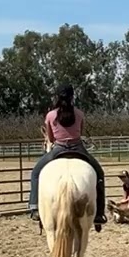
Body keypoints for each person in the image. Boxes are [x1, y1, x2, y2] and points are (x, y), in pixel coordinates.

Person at [27, 84, 108, 229]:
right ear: (72, 96)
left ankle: (34, 207)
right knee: (99, 174)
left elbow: (51, 138)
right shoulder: (80, 113)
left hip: (58, 149)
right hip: (78, 148)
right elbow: (80, 132)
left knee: (36, 173)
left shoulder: (51, 115)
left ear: (57, 96)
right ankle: (99, 213)